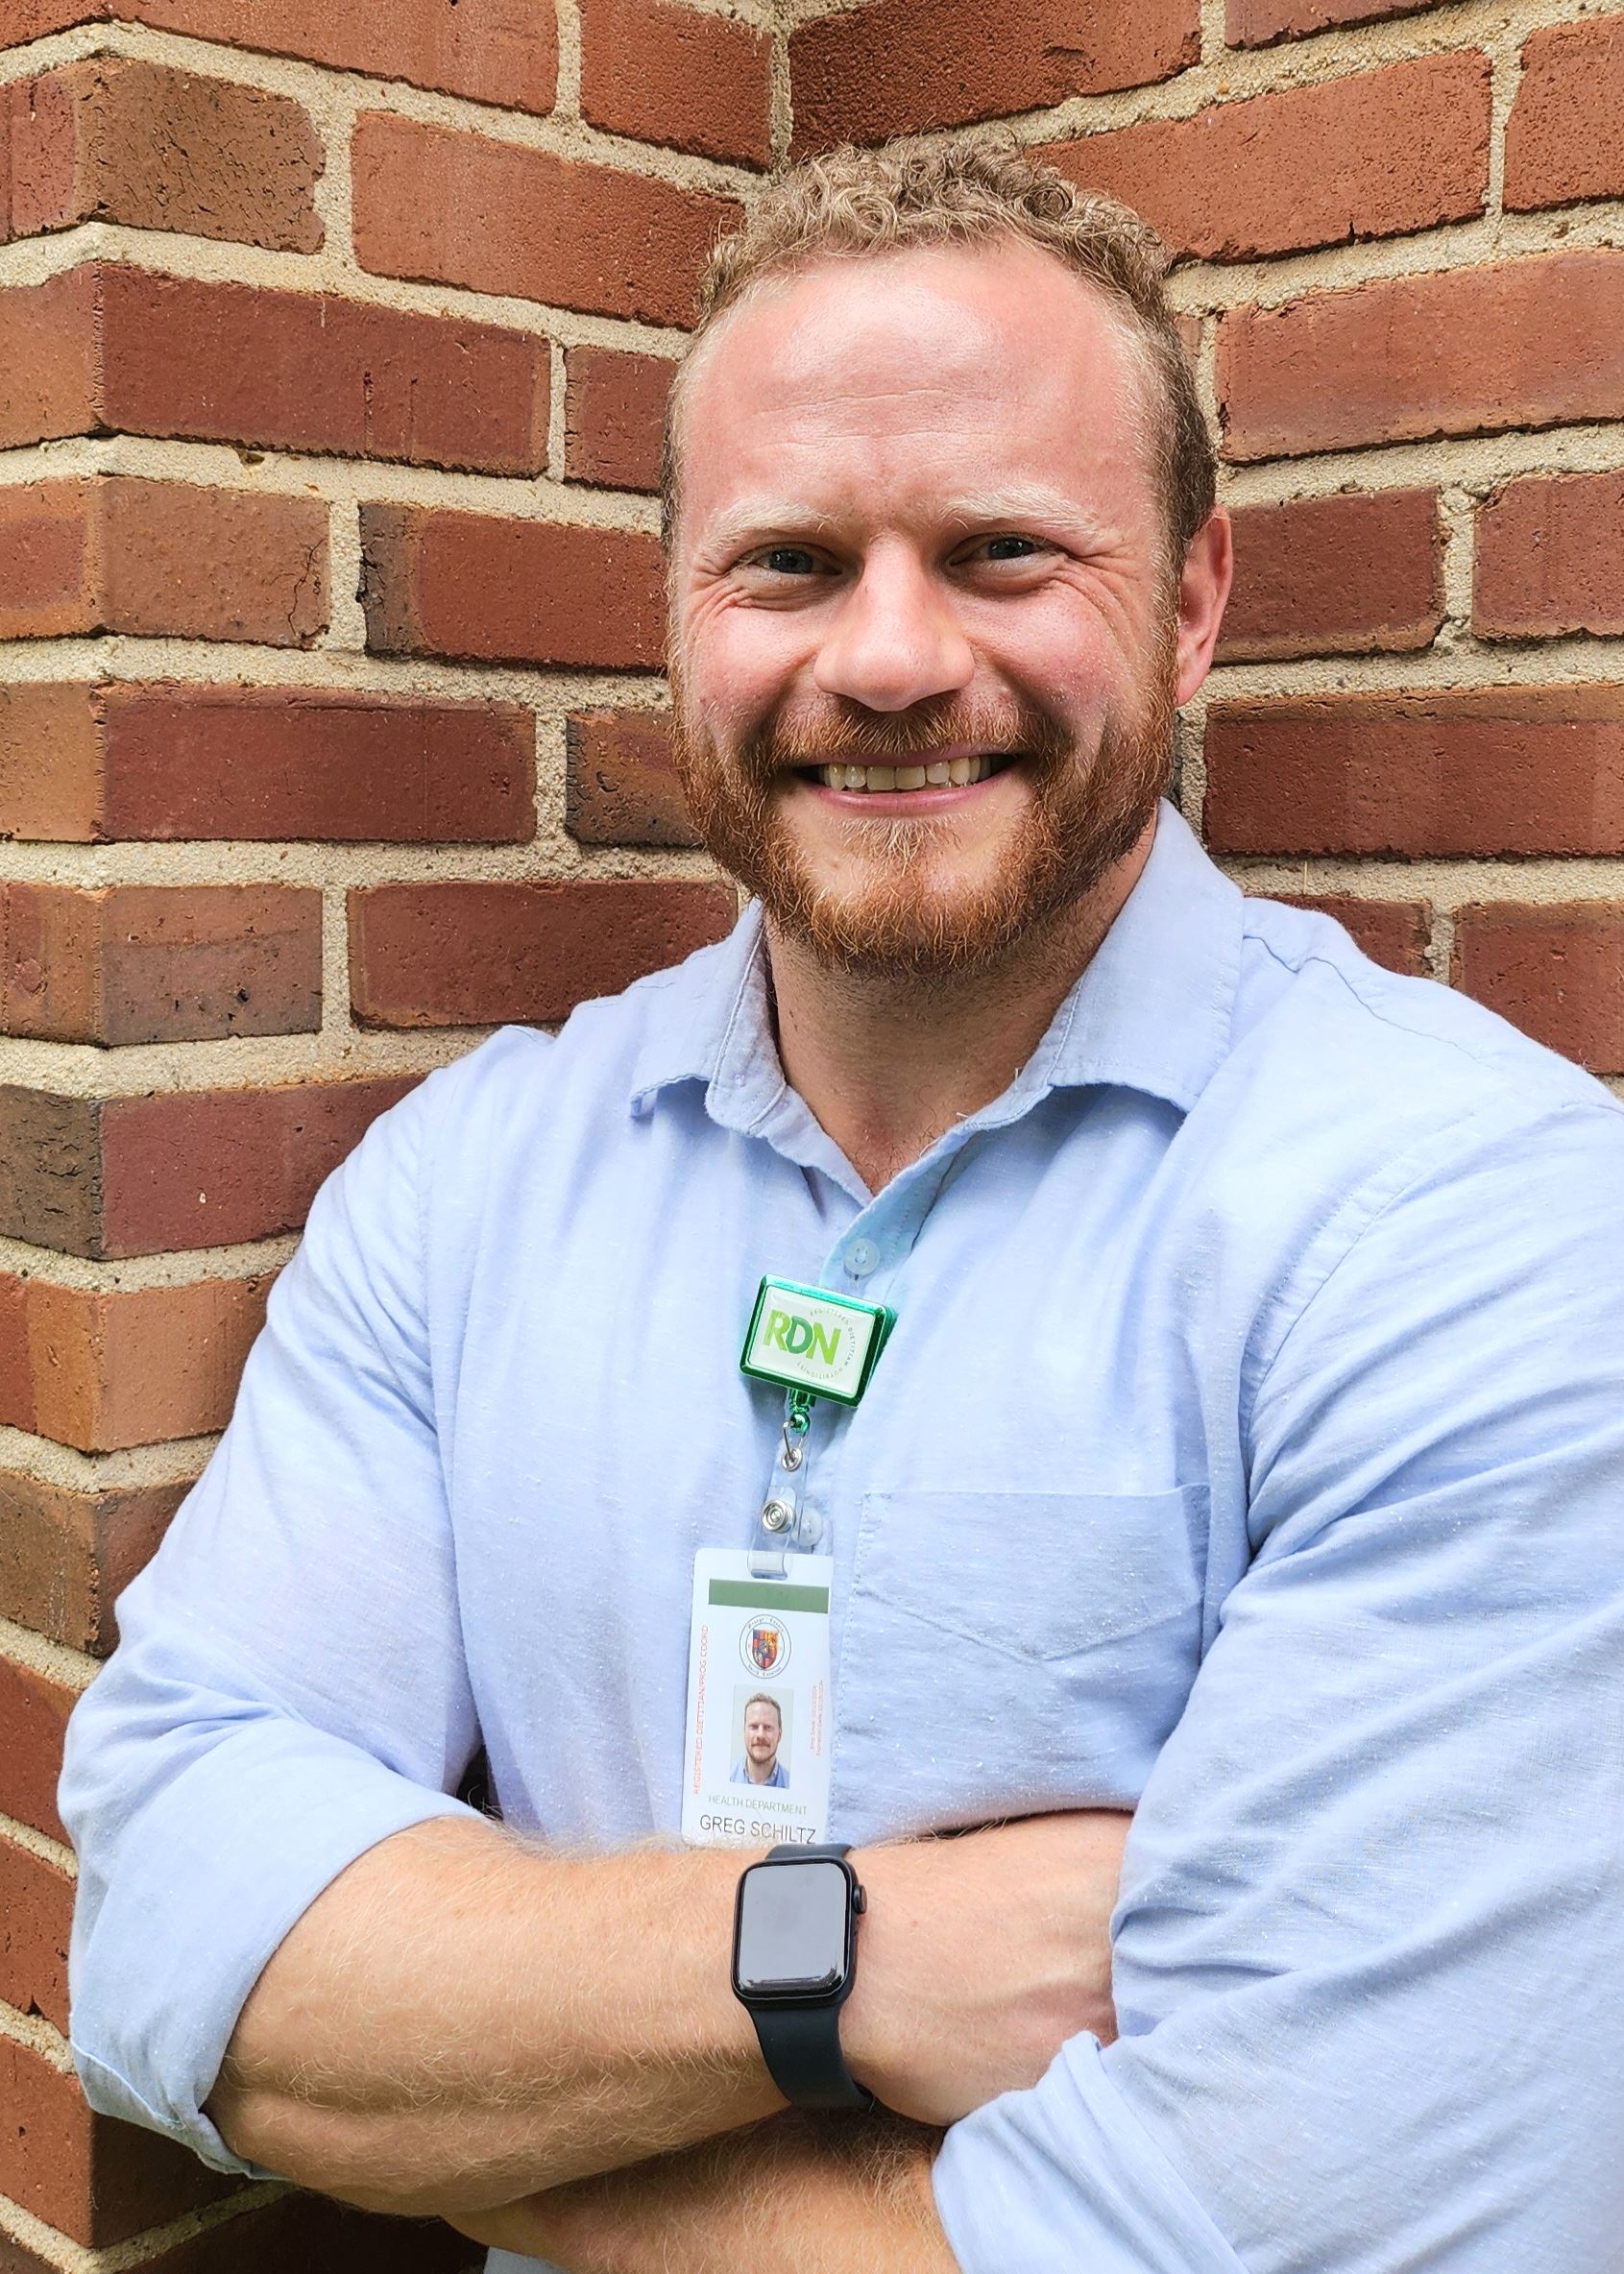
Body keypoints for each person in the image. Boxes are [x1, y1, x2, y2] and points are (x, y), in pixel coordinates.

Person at [61, 134, 1624, 2274]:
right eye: (787, 562)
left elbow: (1290, 2239)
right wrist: (839, 1958)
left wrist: (468, 2106)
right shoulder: (474, 1181)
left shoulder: (1473, 1234)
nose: (886, 659)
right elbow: (164, 1934)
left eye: (998, 550)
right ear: (676, 613)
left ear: (1187, 600)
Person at [731, 1695, 789, 1788]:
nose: (760, 1735)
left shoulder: (792, 1785)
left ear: (780, 1734)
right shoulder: (726, 1777)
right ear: (744, 1732)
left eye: (768, 1727)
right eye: (754, 1727)